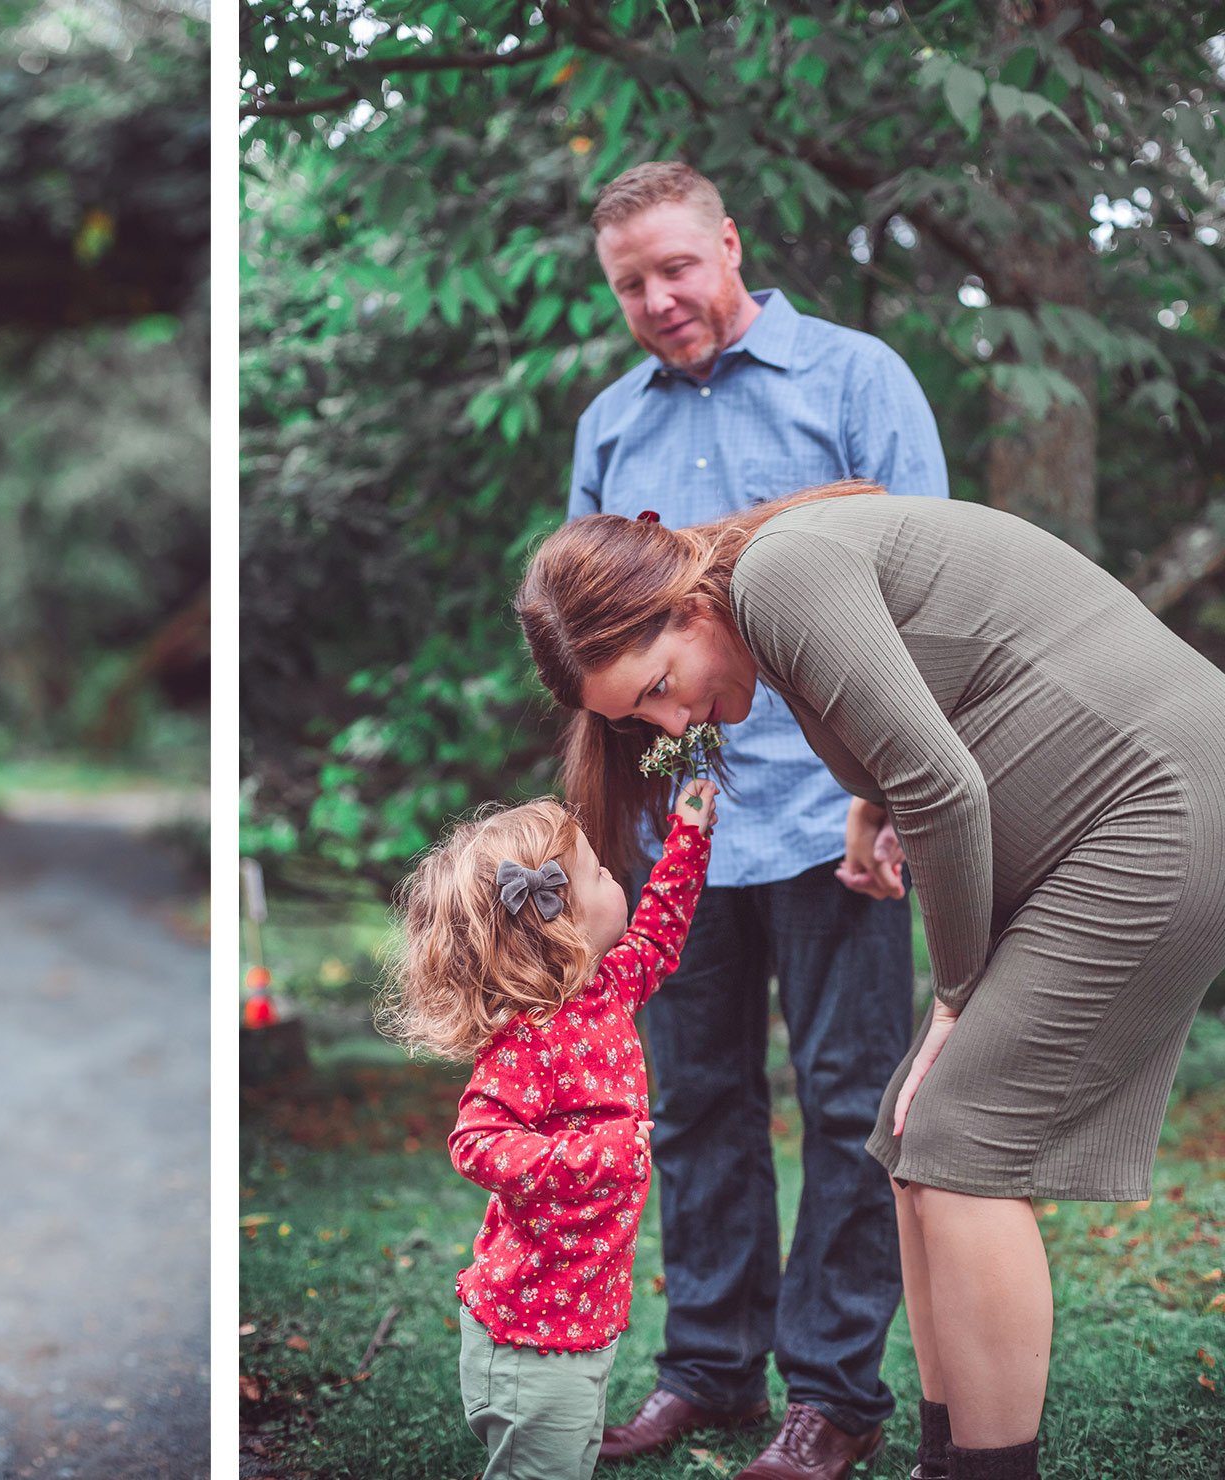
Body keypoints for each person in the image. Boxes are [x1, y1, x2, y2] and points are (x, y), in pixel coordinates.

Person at [516, 482, 1225, 1480]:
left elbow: (942, 783)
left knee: (960, 1132)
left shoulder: (780, 573)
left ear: (681, 604)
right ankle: (946, 1459)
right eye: (641, 715)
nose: (669, 722)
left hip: (1162, 810)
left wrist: (953, 994)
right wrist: (869, 807)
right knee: (907, 1132)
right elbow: (920, 726)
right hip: (1121, 820)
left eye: (656, 687)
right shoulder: (761, 594)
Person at [565, 160, 948, 1480]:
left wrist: (891, 791)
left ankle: (834, 1394)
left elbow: (927, 588)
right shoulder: (611, 426)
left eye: (678, 265)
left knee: (852, 1105)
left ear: (729, 244)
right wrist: (603, 845)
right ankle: (710, 1372)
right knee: (692, 1107)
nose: (660, 298)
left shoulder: (857, 379)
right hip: (684, 830)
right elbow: (588, 645)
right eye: (631, 284)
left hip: (840, 813)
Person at [383, 777, 719, 1480]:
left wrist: (689, 835)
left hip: (579, 1318)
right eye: (599, 871)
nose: (613, 875)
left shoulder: (605, 993)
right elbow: (476, 1141)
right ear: (559, 918)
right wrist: (596, 1155)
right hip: (530, 1334)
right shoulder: (527, 1042)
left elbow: (660, 930)